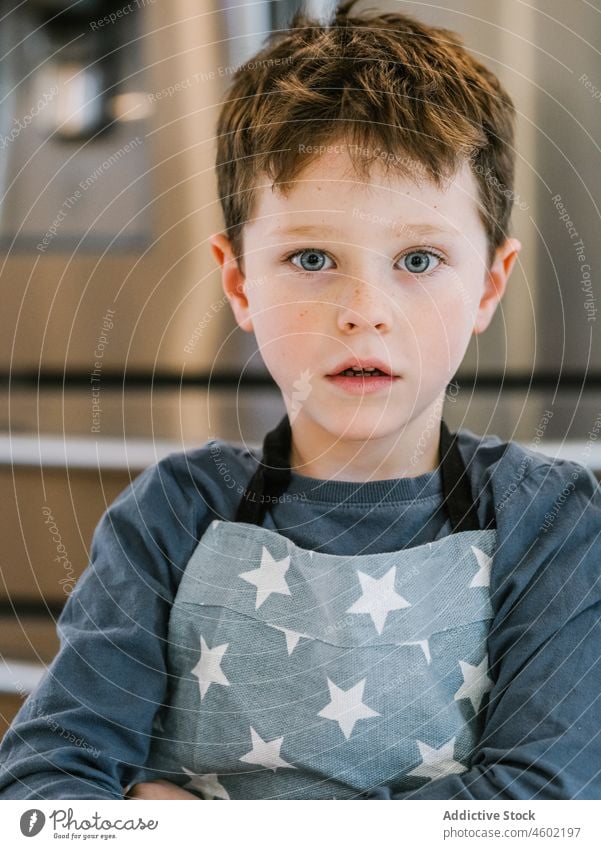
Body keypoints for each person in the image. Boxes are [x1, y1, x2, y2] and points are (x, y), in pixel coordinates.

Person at [1, 0, 600, 801]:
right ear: (239, 280)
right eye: (311, 256)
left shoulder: (553, 524)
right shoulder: (170, 515)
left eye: (417, 259)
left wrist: (208, 825)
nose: (363, 308)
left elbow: (531, 806)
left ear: (489, 282)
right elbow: (44, 788)